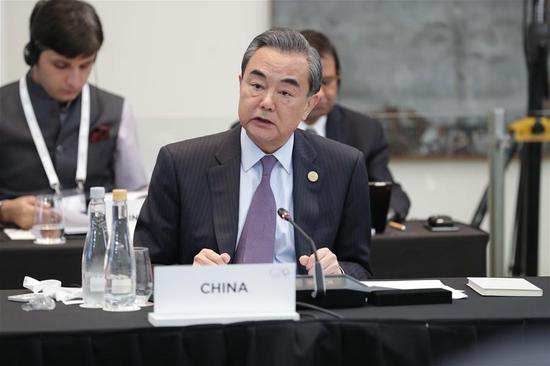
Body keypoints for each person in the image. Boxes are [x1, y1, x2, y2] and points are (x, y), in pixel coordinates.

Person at [135, 28, 372, 279]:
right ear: (240, 85)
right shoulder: (181, 164)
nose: (266, 102)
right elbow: (142, 268)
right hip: (213, 313)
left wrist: (338, 272)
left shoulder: (343, 167)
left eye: (285, 93)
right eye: (257, 85)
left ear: (308, 105)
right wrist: (190, 277)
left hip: (305, 314)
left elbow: (360, 267)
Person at [0, 0, 147, 229]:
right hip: (15, 252)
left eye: (85, 66)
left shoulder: (116, 110)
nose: (74, 80)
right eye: (61, 65)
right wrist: (5, 211)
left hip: (96, 250)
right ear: (32, 55)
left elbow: (137, 197)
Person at [299, 30, 410, 221]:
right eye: (312, 83)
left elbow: (389, 193)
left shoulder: (364, 131)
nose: (321, 94)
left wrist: (379, 218)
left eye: (327, 82)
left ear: (339, 78)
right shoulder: (261, 129)